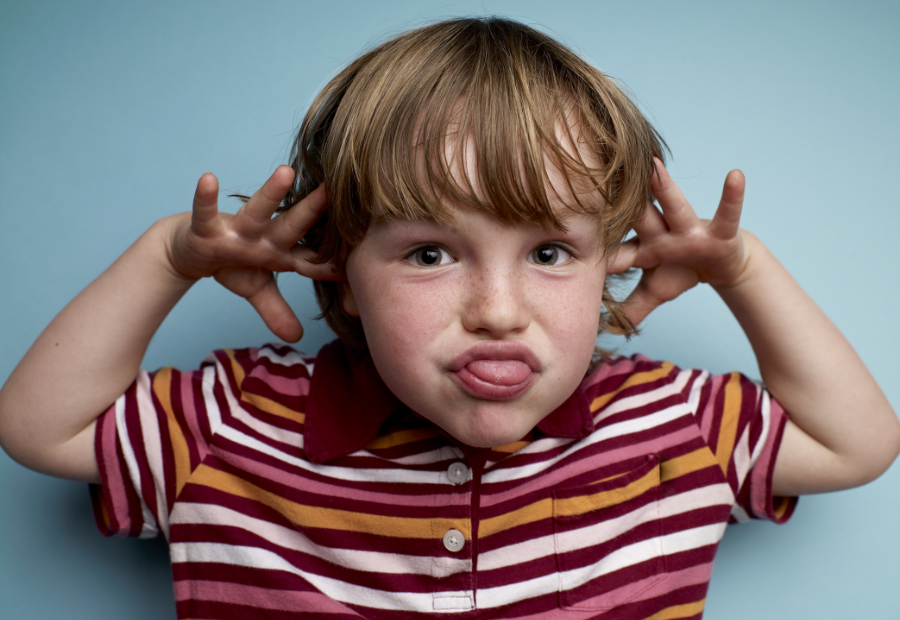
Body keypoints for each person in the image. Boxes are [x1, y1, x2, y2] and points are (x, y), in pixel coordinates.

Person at [0, 16, 897, 620]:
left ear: (608, 263)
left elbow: (855, 445)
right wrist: (170, 257)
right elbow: (41, 429)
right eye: (429, 254)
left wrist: (741, 270)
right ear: (342, 272)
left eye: (550, 253)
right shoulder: (234, 422)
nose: (498, 312)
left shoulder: (672, 424)